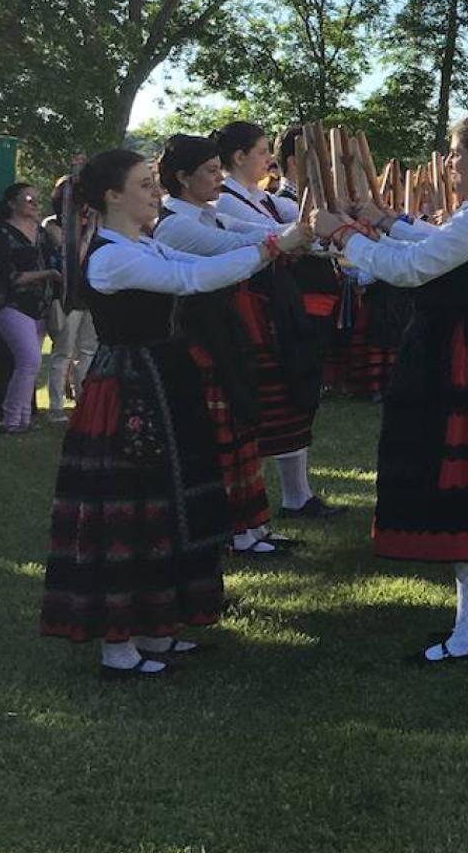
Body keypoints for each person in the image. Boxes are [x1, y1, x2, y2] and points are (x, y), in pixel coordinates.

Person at [42, 149, 302, 677]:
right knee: (134, 508)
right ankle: (119, 647)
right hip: (131, 388)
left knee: (169, 501)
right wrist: (279, 243)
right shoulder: (112, 257)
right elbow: (196, 281)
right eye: (142, 185)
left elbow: (204, 267)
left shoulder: (145, 245)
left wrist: (281, 242)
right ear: (112, 196)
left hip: (162, 379)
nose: (153, 193)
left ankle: (154, 631)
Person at [316, 113, 468, 661]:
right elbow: (435, 241)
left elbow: (414, 268)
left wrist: (344, 235)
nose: (449, 164)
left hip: (461, 356)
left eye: (454, 154)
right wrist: (386, 219)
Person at [153, 135, 288, 557]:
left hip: (224, 332)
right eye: (210, 171)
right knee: (221, 435)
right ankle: (232, 529)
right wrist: (291, 239)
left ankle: (253, 525)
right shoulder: (176, 225)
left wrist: (309, 230)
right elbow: (231, 249)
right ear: (182, 178)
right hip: (198, 339)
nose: (218, 178)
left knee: (241, 427)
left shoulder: (208, 214)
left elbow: (261, 230)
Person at [212, 121, 334, 521]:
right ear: (239, 157)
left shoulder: (261, 196)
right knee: (267, 403)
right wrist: (300, 234)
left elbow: (302, 225)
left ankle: (298, 495)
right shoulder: (227, 200)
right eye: (263, 151)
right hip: (251, 309)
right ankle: (262, 500)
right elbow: (270, 233)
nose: (269, 159)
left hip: (277, 307)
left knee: (291, 398)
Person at [0, 182, 57, 433]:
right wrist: (47, 273)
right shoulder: (1, 233)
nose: (35, 203)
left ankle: (24, 419)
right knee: (29, 360)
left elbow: (57, 257)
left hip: (39, 306)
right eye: (28, 198)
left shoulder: (41, 232)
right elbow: (7, 277)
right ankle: (11, 420)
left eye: (37, 198)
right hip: (10, 304)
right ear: (11, 204)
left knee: (30, 364)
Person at [43, 175, 97, 422]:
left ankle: (83, 402)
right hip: (67, 296)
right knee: (63, 351)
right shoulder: (54, 225)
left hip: (91, 296)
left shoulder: (95, 225)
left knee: (88, 350)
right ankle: (56, 406)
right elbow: (70, 252)